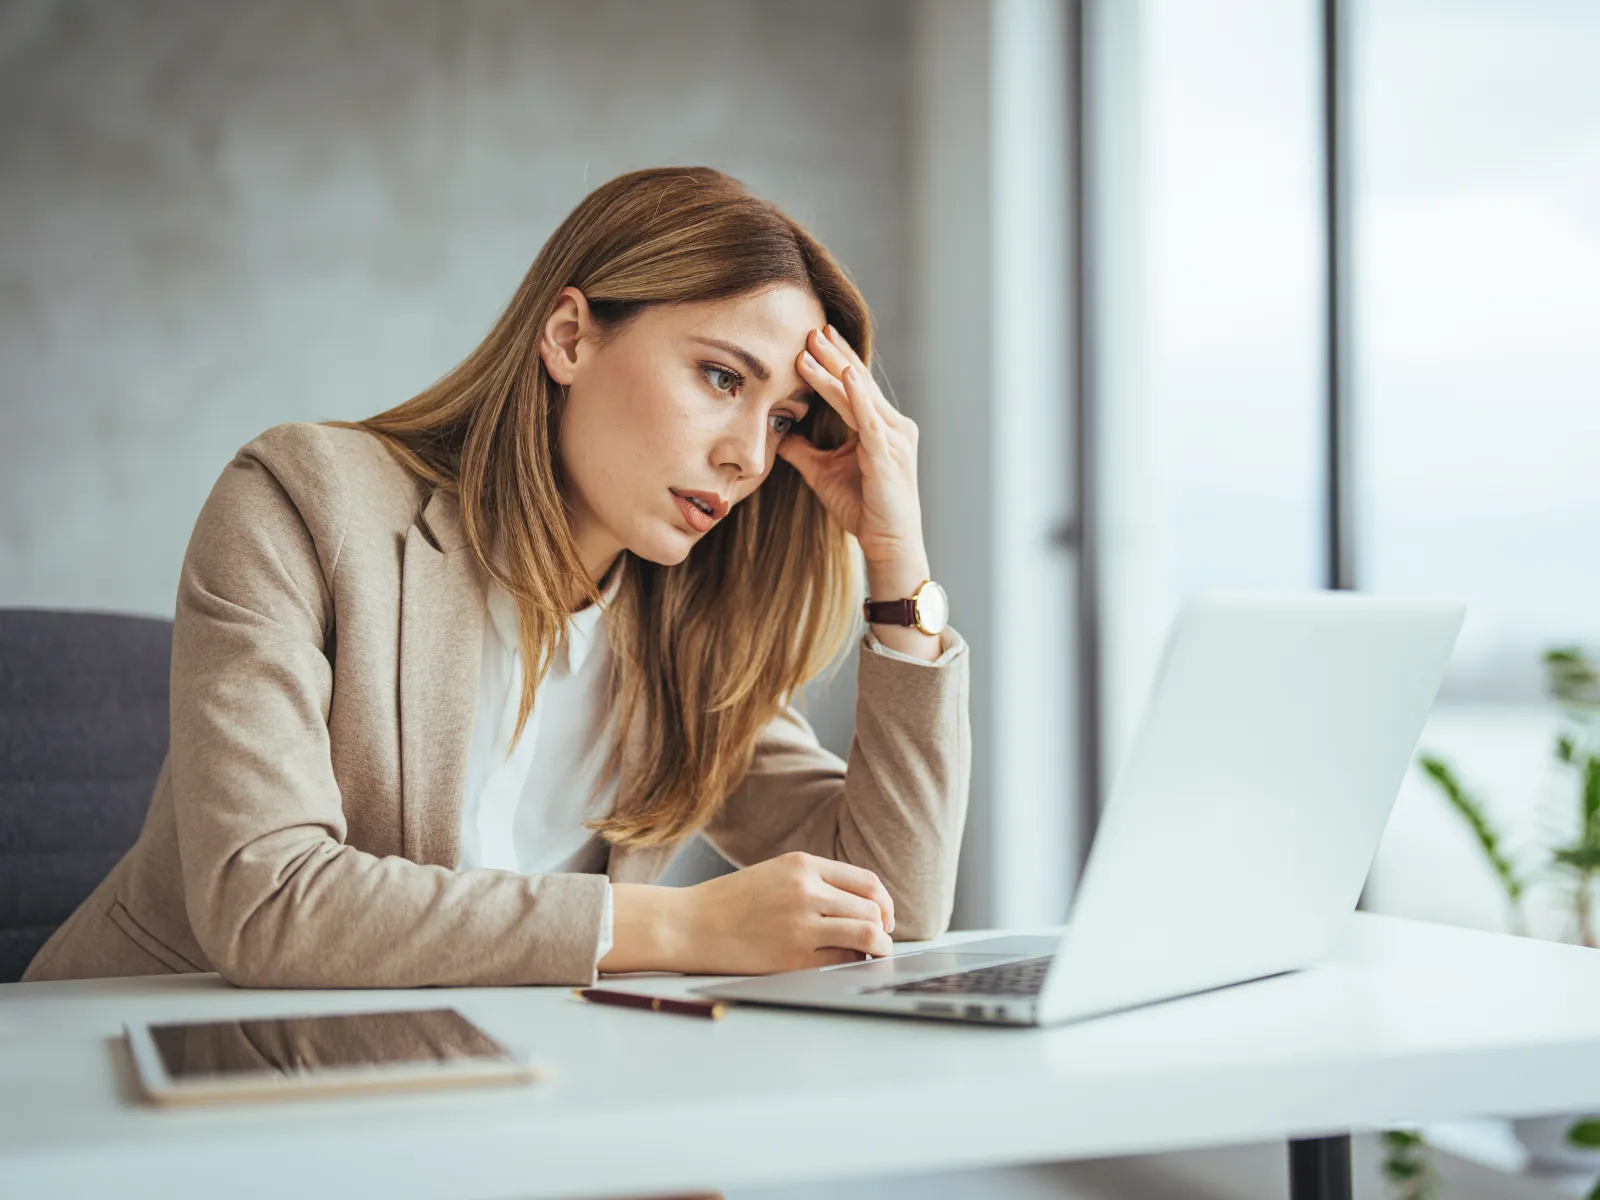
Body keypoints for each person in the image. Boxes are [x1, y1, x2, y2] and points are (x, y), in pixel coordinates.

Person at [23, 166, 970, 988]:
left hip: (484, 1076)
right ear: (570, 337)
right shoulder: (301, 504)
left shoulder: (683, 637)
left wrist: (900, 565)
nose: (749, 459)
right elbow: (267, 900)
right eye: (724, 378)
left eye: (783, 419)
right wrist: (681, 927)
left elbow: (896, 900)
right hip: (164, 1068)